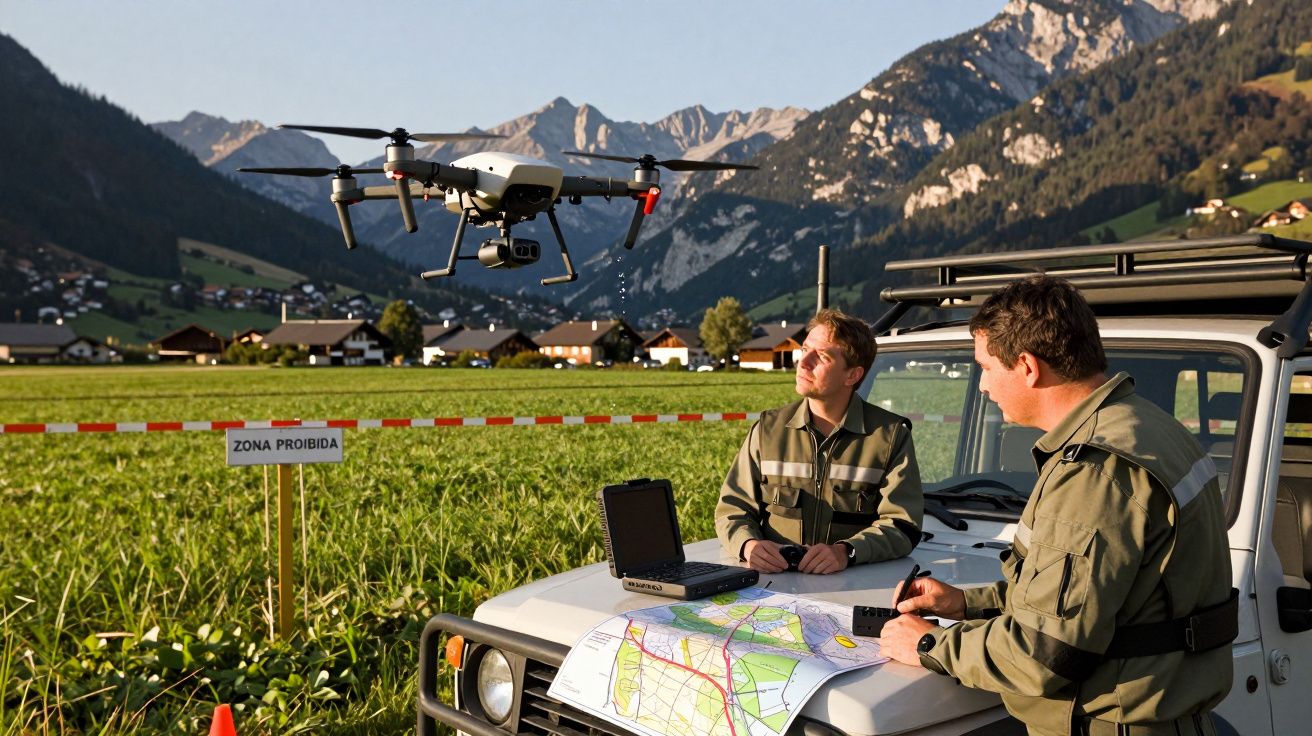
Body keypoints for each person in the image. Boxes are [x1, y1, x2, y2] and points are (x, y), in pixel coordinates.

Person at [880, 276, 1235, 736]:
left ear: (1027, 366)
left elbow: (1046, 651)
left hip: (1110, 722)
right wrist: (967, 603)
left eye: (985, 367)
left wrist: (930, 643)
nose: (983, 385)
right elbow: (1094, 599)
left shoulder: (1093, 470)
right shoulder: (1149, 427)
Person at [715, 308, 923, 575]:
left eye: (821, 357)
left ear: (852, 375)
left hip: (851, 591)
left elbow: (903, 525)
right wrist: (748, 545)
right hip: (771, 591)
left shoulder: (890, 436)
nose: (804, 363)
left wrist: (848, 551)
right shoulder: (767, 430)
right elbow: (732, 509)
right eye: (804, 350)